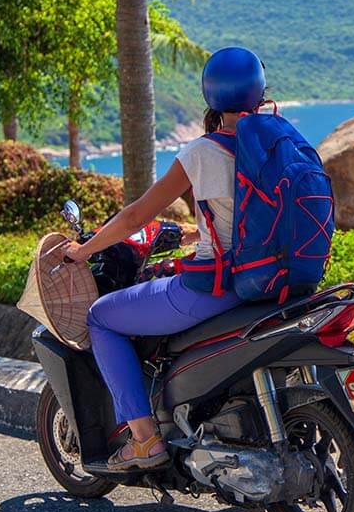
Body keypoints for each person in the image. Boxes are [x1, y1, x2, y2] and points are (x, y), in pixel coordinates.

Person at [61, 46, 266, 470]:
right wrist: (198, 232)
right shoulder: (282, 142)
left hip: (218, 289)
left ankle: (143, 440)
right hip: (276, 279)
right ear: (260, 90)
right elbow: (245, 213)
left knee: (101, 317)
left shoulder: (203, 152)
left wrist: (82, 250)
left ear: (210, 94)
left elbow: (137, 214)